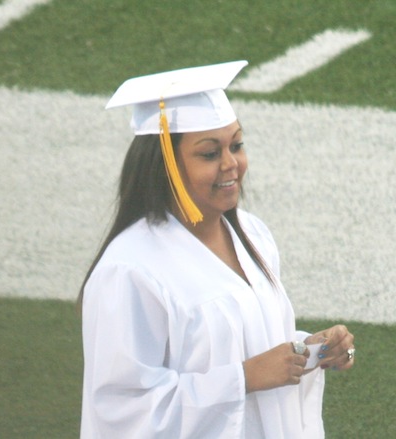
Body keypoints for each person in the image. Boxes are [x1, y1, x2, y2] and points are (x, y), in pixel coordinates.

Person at [78, 60, 355, 438]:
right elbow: (122, 410)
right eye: (210, 154)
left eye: (236, 145)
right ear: (167, 166)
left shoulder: (252, 234)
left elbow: (248, 343)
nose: (232, 165)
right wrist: (243, 378)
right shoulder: (130, 270)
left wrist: (309, 351)